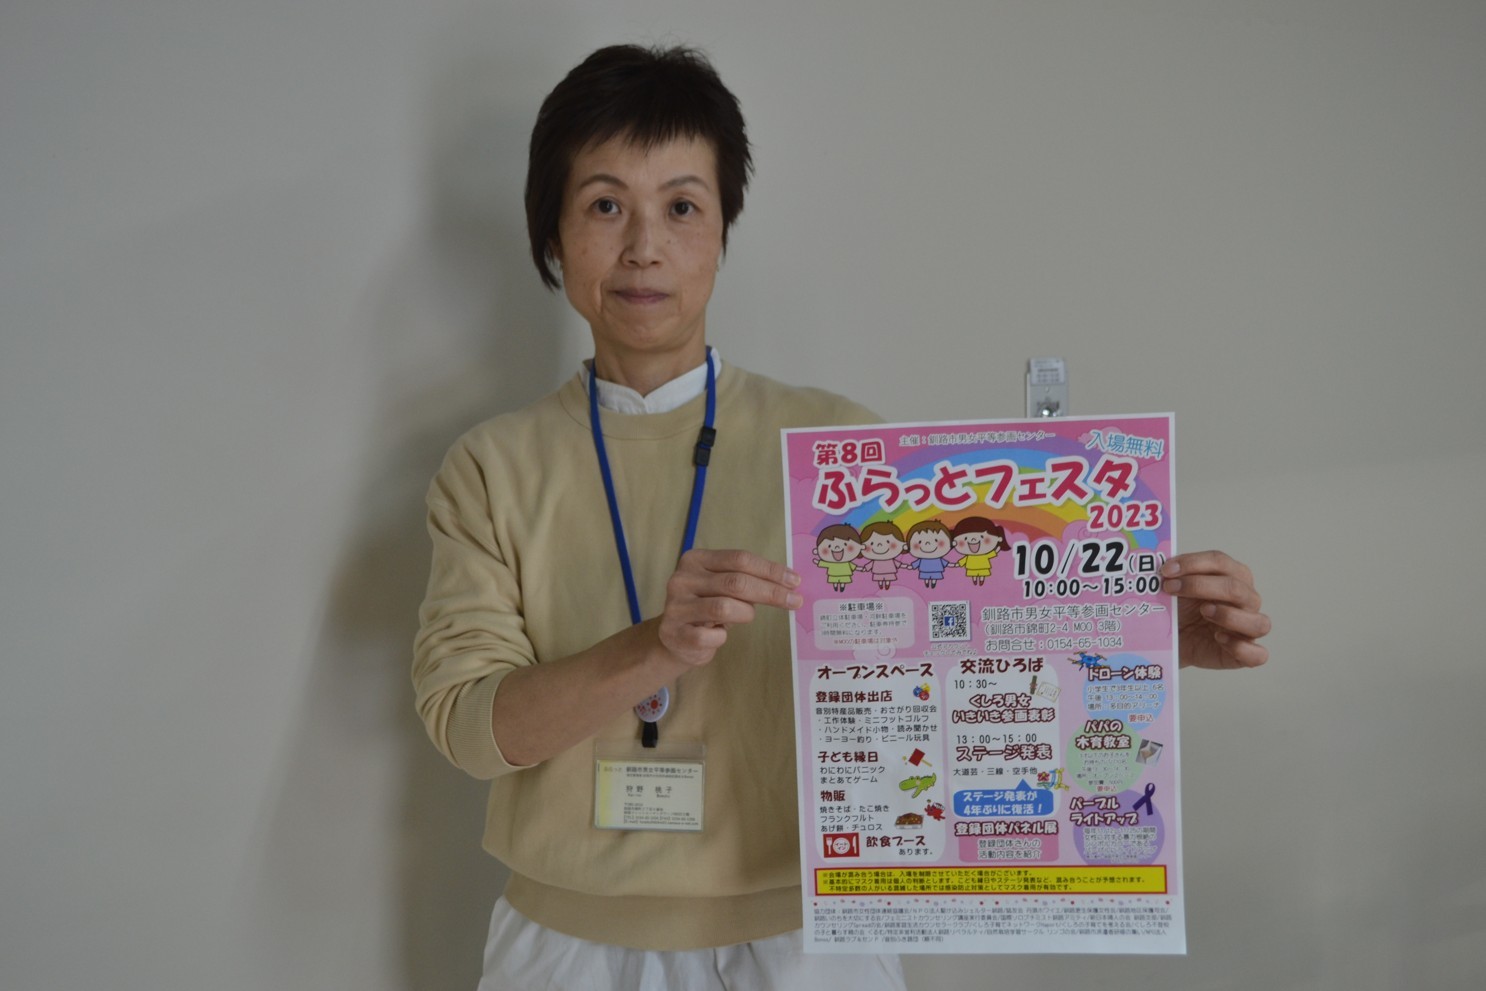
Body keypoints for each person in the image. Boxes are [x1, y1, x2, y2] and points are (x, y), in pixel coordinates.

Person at [412, 43, 1272, 991]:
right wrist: (656, 647)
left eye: (683, 206)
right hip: (565, 945)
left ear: (723, 231)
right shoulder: (492, 468)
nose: (645, 246)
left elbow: (954, 659)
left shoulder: (839, 450)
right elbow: (468, 726)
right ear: (552, 236)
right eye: (605, 205)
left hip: (811, 940)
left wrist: (1135, 640)